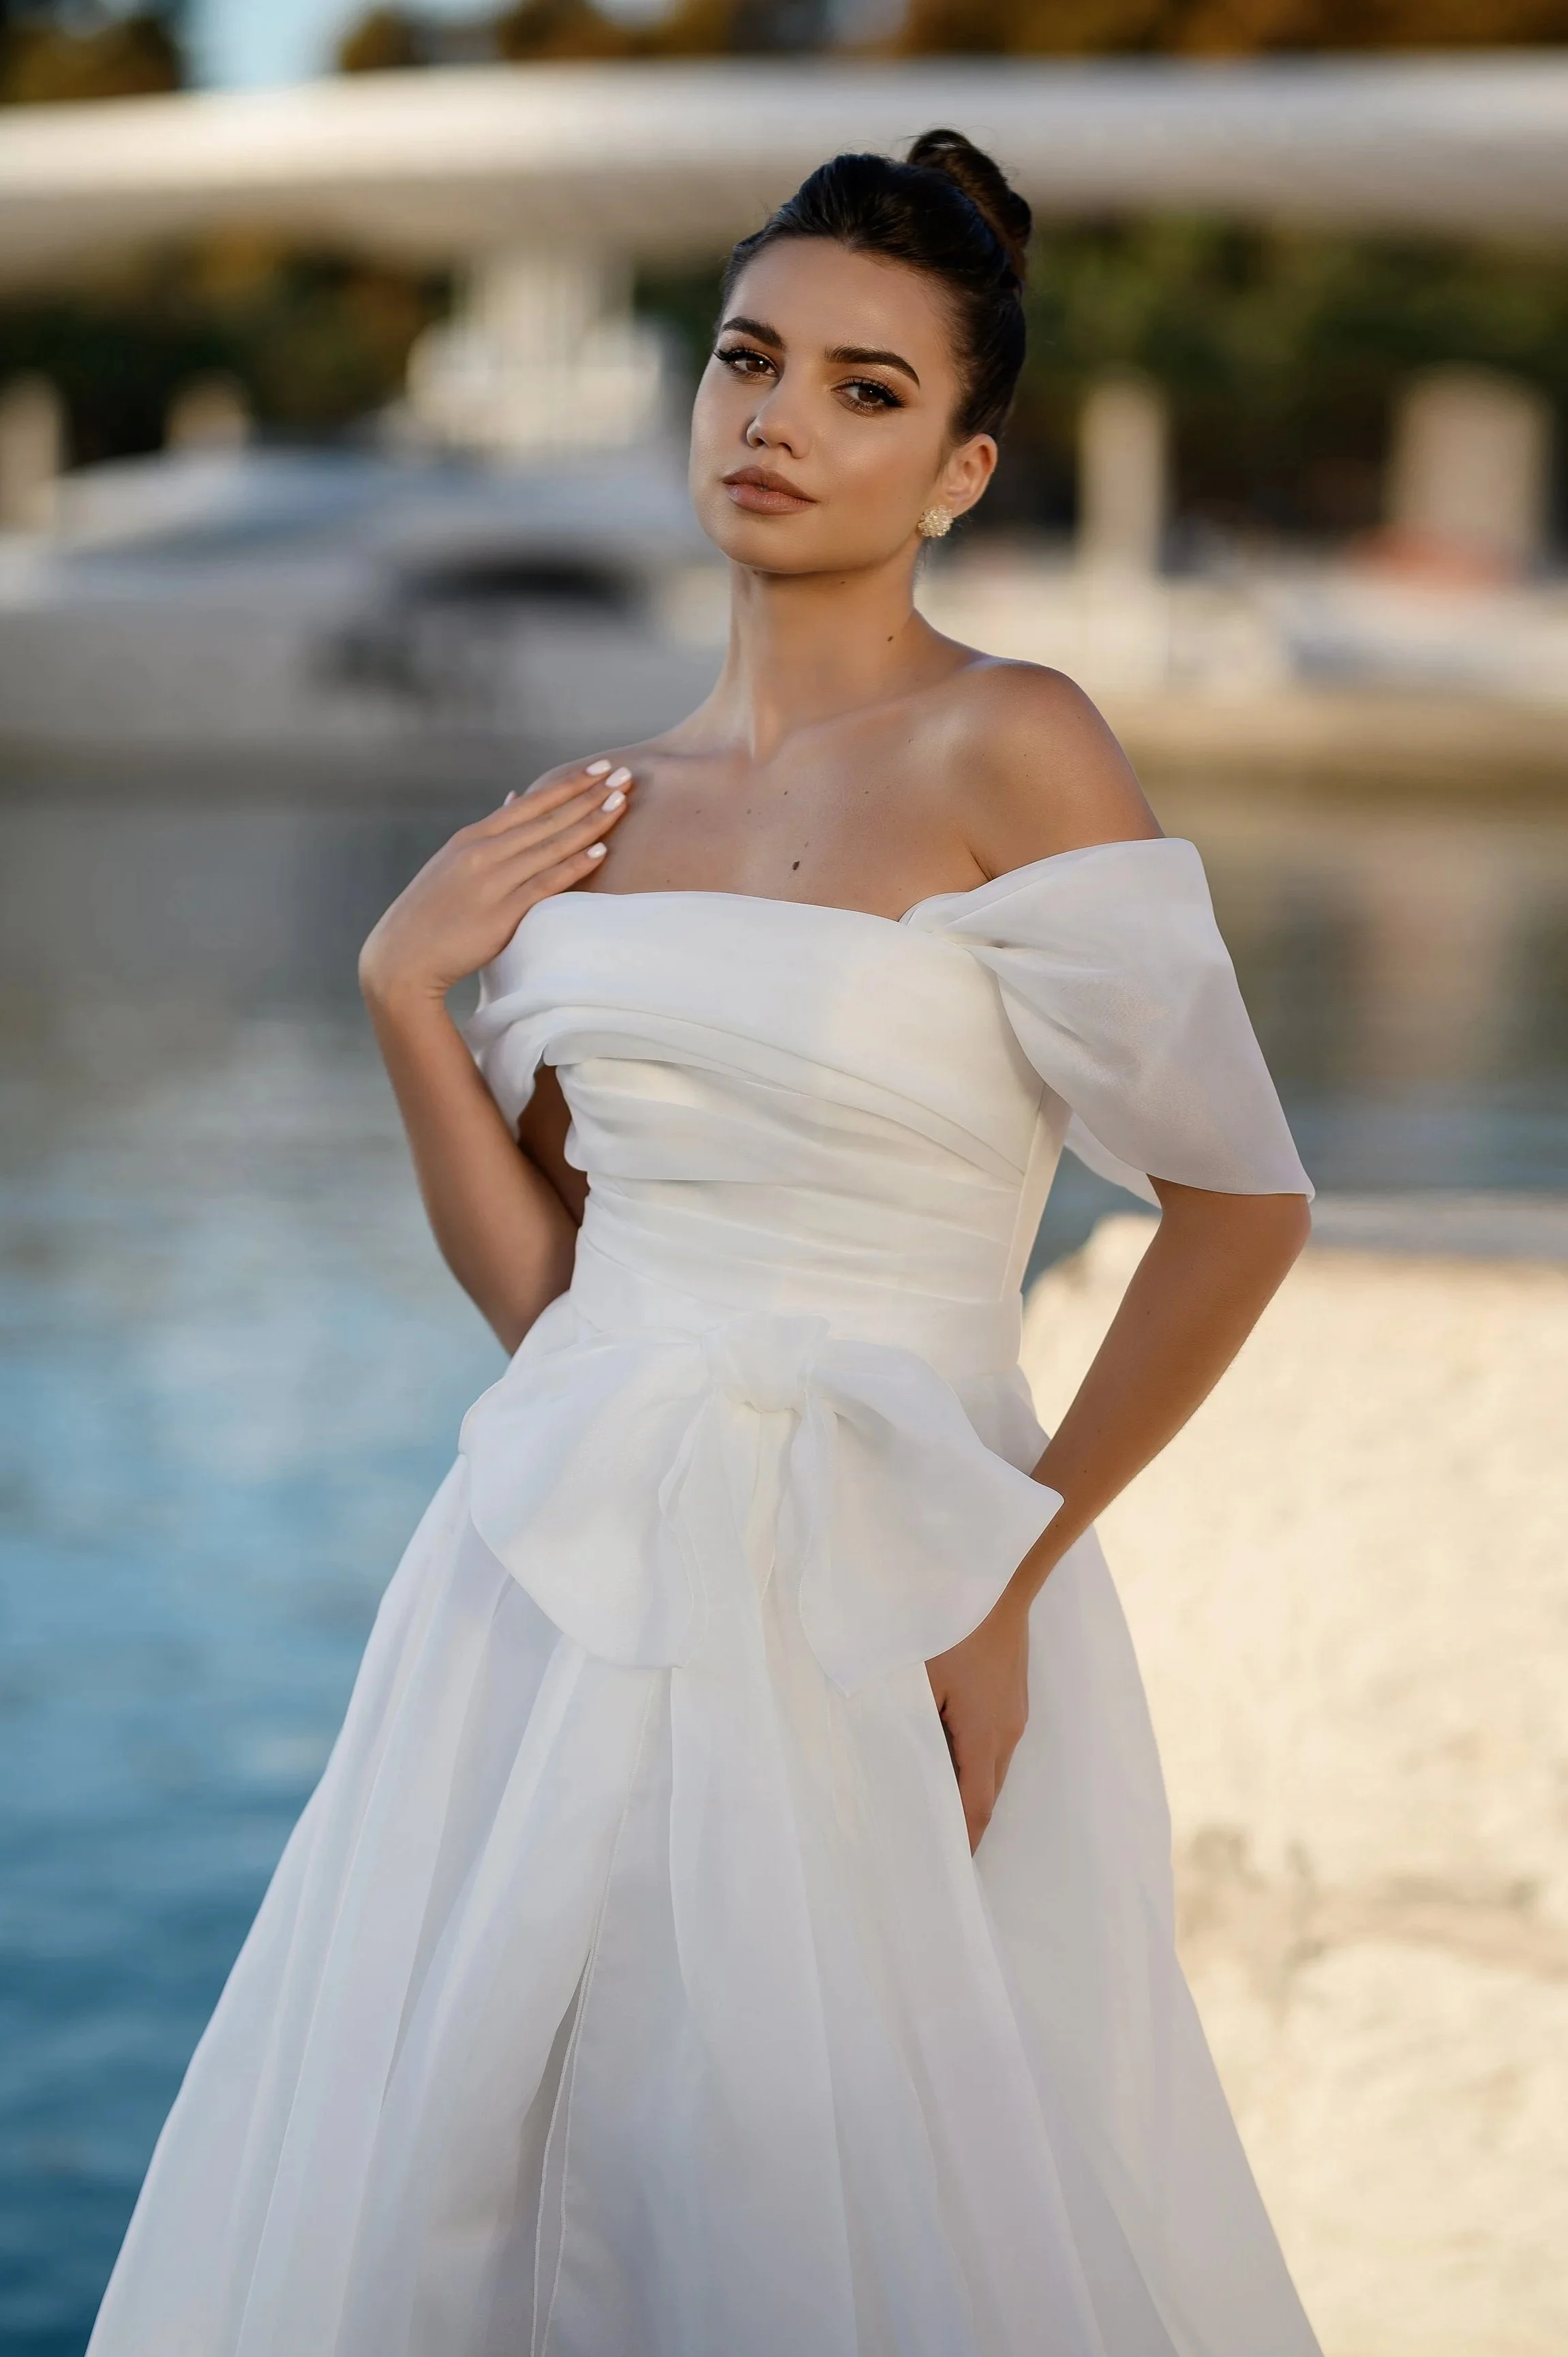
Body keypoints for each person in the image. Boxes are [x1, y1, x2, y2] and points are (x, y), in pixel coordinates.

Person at [89, 131, 1321, 2357]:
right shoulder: (600, 810)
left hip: (887, 1581)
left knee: (840, 2206)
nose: (777, 420)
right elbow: (557, 1305)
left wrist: (1001, 1576)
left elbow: (1237, 1212)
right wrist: (402, 997)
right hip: (542, 1590)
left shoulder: (1011, 739)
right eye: (748, 362)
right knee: (486, 2201)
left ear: (960, 472)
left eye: (864, 389)